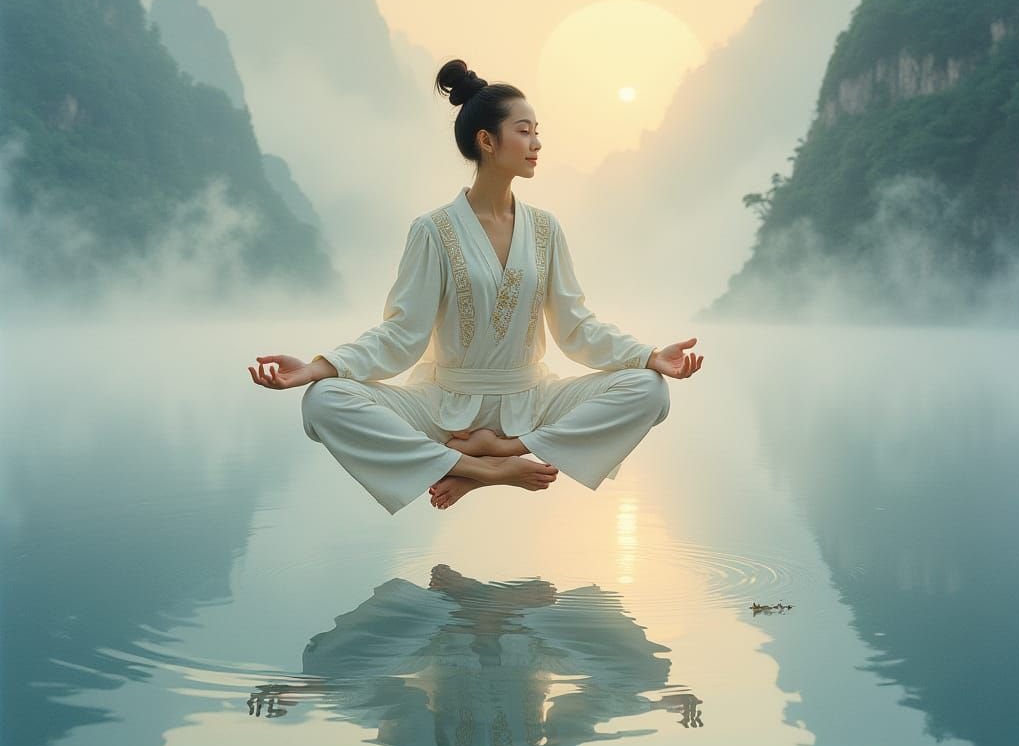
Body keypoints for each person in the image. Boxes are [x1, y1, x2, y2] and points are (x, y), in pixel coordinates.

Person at [249, 59, 704, 514]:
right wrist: (318, 368)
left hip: (533, 401)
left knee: (650, 391)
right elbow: (402, 333)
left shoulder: (546, 229)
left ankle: (505, 452)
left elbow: (576, 326)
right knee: (322, 403)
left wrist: (648, 356)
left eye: (537, 131)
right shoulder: (433, 230)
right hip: (444, 405)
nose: (537, 143)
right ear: (487, 141)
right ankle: (477, 468)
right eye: (524, 131)